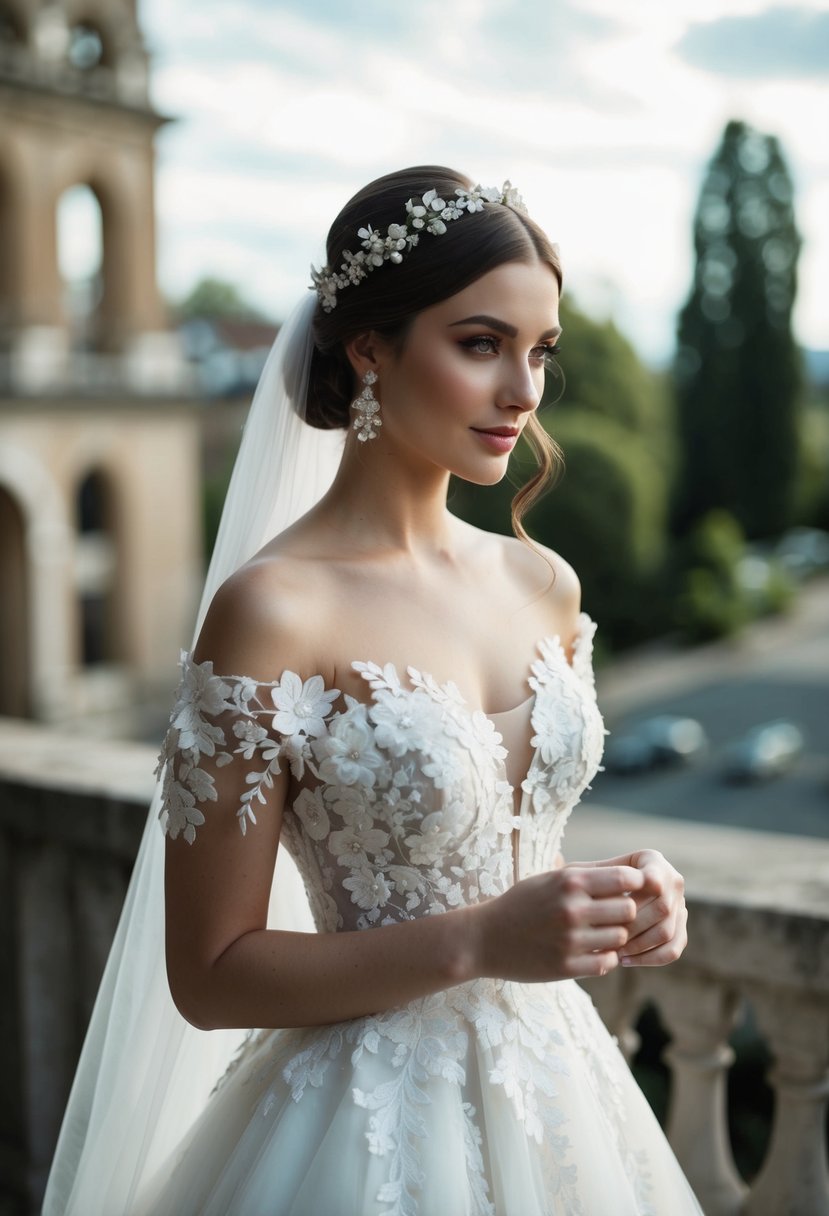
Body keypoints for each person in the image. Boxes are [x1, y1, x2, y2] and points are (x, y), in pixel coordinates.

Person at [44, 166, 702, 1215]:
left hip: (566, 1099)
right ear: (368, 348)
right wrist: (481, 940)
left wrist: (622, 890)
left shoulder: (542, 582)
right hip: (365, 1132)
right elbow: (209, 974)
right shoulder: (275, 611)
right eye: (481, 344)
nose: (524, 392)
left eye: (540, 352)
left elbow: (497, 837)